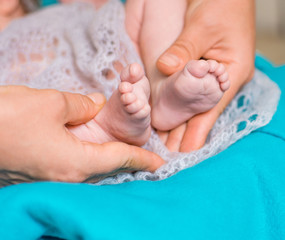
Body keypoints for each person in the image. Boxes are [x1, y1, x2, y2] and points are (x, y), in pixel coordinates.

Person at [0, 0, 255, 183]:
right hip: (51, 120)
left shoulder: (62, 12)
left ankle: (162, 86)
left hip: (129, 61)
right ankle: (108, 128)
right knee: (56, 123)